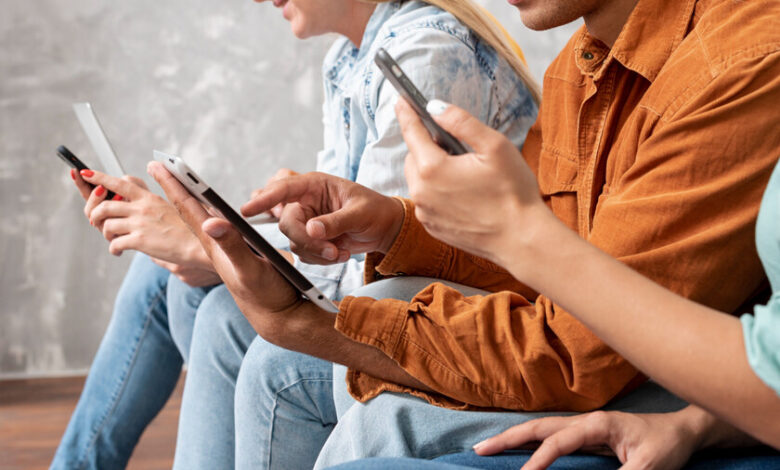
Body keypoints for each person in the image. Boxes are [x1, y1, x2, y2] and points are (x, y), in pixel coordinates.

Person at [151, 0, 779, 467]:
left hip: (686, 383)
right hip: (630, 361)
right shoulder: (578, 66)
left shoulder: (741, 62)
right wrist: (394, 227)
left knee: (343, 392)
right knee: (231, 318)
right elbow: (562, 264)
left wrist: (304, 322)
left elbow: (574, 353)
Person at [51, 0, 539, 468]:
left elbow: (378, 278)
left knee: (221, 310)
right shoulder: (350, 58)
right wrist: (256, 225)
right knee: (167, 282)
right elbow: (346, 241)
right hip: (406, 290)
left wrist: (202, 241)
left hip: (456, 309)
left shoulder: (426, 53)